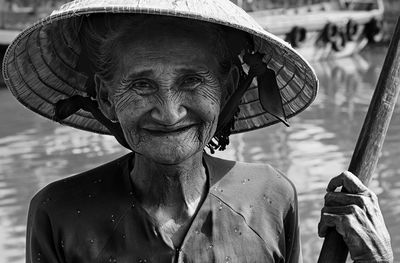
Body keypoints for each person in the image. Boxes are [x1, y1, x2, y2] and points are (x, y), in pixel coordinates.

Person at [2, 0, 393, 262]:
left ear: (225, 89)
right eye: (142, 85)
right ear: (106, 98)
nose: (170, 113)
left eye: (191, 81)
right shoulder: (60, 214)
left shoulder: (272, 197)